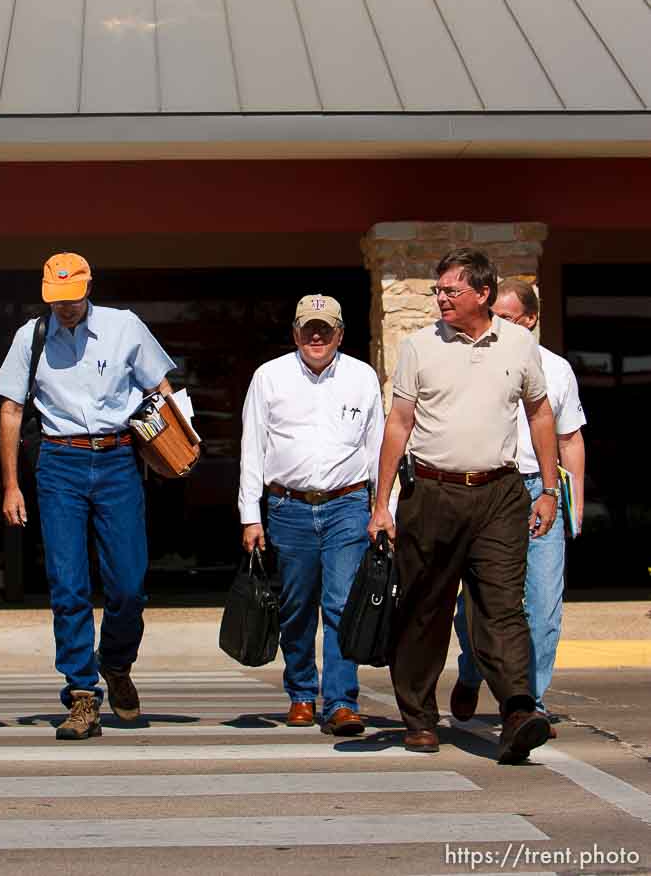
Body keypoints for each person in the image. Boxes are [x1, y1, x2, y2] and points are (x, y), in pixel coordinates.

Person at [368, 248, 560, 764]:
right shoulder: (418, 347)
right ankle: (419, 718)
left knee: (502, 608)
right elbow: (398, 426)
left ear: (483, 294)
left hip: (500, 494)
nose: (441, 299)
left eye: (451, 291)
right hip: (432, 493)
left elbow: (541, 415)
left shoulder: (520, 343)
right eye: (438, 290)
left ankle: (518, 711)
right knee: (424, 609)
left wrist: (548, 488)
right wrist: (381, 504)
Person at [0, 252, 176, 742]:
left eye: (73, 299)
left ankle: (115, 662)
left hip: (118, 459)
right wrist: (11, 484)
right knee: (68, 584)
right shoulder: (30, 337)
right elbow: (11, 410)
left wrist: (175, 442)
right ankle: (81, 694)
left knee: (128, 585)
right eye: (57, 300)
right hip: (59, 463)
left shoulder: (124, 327)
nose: (66, 308)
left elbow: (162, 388)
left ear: (90, 287)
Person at [239, 294, 384, 735]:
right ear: (295, 333)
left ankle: (341, 701)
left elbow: (377, 448)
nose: (316, 335)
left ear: (340, 333)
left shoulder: (363, 377)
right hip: (288, 507)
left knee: (341, 604)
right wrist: (250, 514)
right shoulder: (269, 377)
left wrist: (384, 510)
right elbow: (252, 447)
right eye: (308, 328)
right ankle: (302, 691)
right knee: (296, 608)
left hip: (347, 504)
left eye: (326, 328)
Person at [451, 277, 586, 732]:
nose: (499, 326)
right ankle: (471, 668)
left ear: (530, 320)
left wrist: (573, 502)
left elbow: (569, 438)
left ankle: (532, 701)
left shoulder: (556, 370)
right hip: (490, 488)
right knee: (478, 601)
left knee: (543, 603)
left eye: (507, 318)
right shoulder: (474, 362)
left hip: (540, 489)